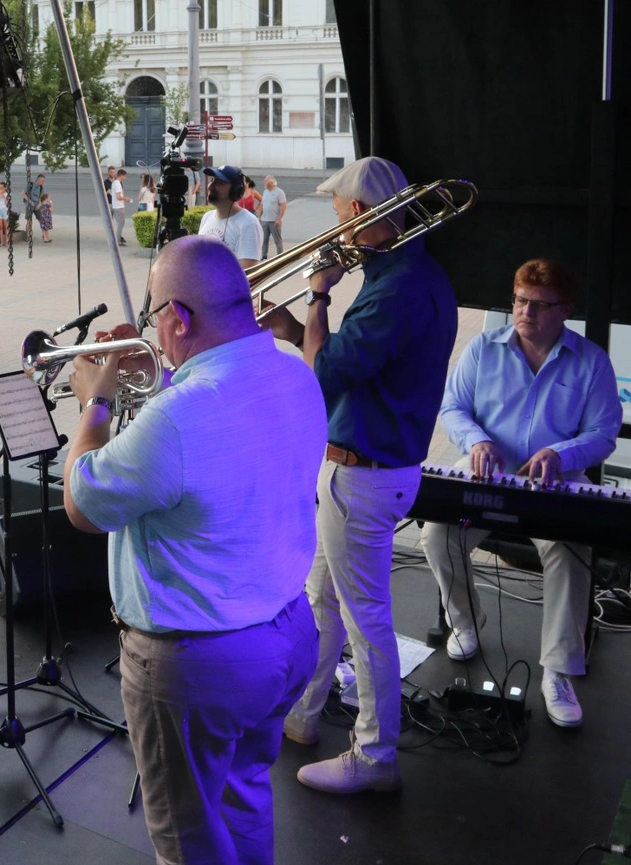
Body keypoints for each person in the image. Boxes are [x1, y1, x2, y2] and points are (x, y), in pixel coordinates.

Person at [62, 236, 326, 865]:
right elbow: (207, 445)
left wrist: (96, 402)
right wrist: (154, 381)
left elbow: (83, 504)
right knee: (242, 796)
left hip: (201, 665)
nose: (154, 328)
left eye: (156, 314)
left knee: (186, 842)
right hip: (286, 634)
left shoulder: (177, 418)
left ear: (178, 317)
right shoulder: (295, 371)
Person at [260, 156, 458, 794]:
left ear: (366, 213)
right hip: (365, 471)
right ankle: (302, 716)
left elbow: (325, 374)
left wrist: (318, 296)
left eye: (343, 215)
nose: (339, 229)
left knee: (364, 620)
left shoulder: (398, 286)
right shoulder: (409, 275)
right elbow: (348, 363)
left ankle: (375, 755)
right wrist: (295, 329)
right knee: (320, 602)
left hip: (363, 476)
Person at [421, 259, 620, 728]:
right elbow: (453, 407)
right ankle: (466, 622)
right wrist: (477, 441)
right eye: (520, 300)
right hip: (488, 474)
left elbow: (604, 431)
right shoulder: (482, 348)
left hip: (556, 481)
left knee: (570, 550)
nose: (526, 312)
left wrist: (561, 453)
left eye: (540, 304)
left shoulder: (591, 361)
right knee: (438, 535)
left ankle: (558, 671)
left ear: (565, 309)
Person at [198, 165, 263, 268]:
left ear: (235, 190)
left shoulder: (249, 223)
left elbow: (246, 271)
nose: (210, 186)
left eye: (219, 182)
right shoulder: (207, 217)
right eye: (212, 180)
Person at [260, 175, 289, 259]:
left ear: (271, 183)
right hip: (265, 220)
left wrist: (279, 219)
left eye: (266, 181)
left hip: (274, 221)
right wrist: (260, 215)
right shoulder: (265, 192)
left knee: (277, 240)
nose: (264, 183)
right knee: (264, 240)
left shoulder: (279, 192)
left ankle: (280, 257)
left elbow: (283, 205)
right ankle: (264, 256)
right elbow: (263, 204)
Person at [111, 168, 129, 245]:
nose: (125, 178)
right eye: (124, 176)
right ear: (121, 175)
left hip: (116, 206)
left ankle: (118, 237)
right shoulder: (118, 184)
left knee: (120, 223)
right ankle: (118, 240)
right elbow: (118, 197)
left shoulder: (114, 183)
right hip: (119, 207)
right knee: (120, 224)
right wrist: (125, 198)